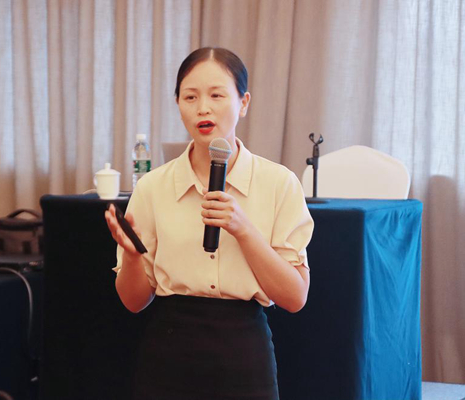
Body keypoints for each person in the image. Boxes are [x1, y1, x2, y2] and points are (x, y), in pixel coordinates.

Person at [105, 47, 314, 400]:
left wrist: (243, 229)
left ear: (243, 102)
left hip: (245, 355)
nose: (203, 108)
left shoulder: (279, 183)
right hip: (168, 354)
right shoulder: (153, 187)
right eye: (190, 97)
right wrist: (133, 257)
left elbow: (295, 298)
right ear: (178, 104)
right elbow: (133, 302)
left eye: (217, 95)